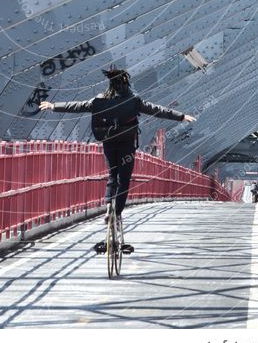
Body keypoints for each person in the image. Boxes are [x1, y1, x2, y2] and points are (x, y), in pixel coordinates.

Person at [39, 67, 196, 227]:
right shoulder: (134, 100)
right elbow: (157, 110)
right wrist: (181, 116)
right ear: (126, 82)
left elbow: (78, 106)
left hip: (109, 141)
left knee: (112, 176)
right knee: (124, 180)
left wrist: (54, 106)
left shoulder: (99, 100)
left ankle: (108, 208)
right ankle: (117, 213)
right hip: (127, 144)